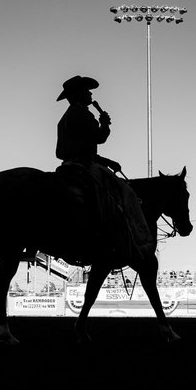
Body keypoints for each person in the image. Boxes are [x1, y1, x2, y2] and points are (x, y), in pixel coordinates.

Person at [53, 75, 154, 265]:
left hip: (67, 166)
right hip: (84, 166)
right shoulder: (83, 114)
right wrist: (105, 124)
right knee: (125, 192)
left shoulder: (64, 118)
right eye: (86, 90)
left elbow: (65, 151)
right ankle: (128, 239)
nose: (90, 94)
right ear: (78, 94)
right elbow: (98, 138)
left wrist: (104, 159)